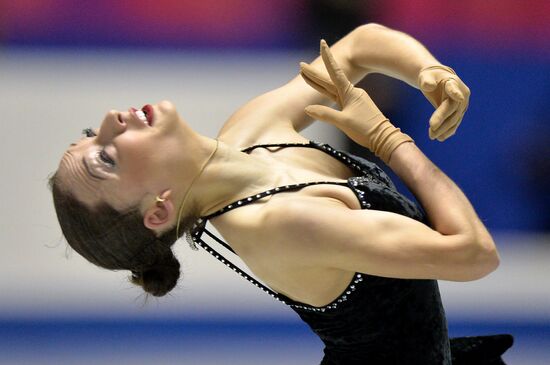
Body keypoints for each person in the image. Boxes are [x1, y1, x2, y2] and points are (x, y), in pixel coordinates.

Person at [49, 24, 513, 364]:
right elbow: (474, 255)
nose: (112, 119)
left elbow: (355, 49)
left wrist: (427, 70)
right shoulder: (281, 225)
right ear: (159, 209)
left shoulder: (248, 131)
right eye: (106, 159)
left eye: (92, 133)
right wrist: (390, 142)